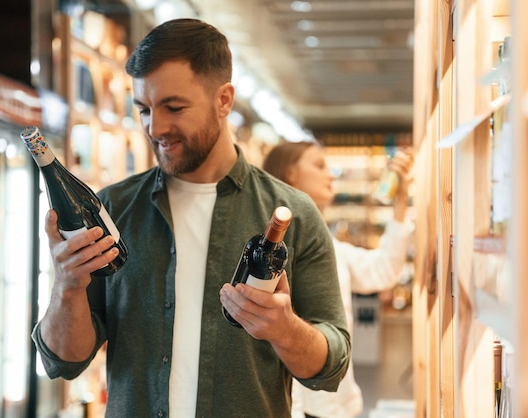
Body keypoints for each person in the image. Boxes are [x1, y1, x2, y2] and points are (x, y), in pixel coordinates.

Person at [31, 18, 350, 418]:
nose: (156, 127)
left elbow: (331, 366)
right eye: (144, 110)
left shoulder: (293, 214)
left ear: (224, 100)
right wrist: (67, 287)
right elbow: (65, 361)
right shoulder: (111, 210)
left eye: (174, 107)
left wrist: (285, 330)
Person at [262, 141, 414, 418]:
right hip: (290, 406)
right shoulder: (267, 251)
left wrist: (400, 199)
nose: (331, 174)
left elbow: (383, 270)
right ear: (289, 174)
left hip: (333, 403)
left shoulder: (327, 246)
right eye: (319, 166)